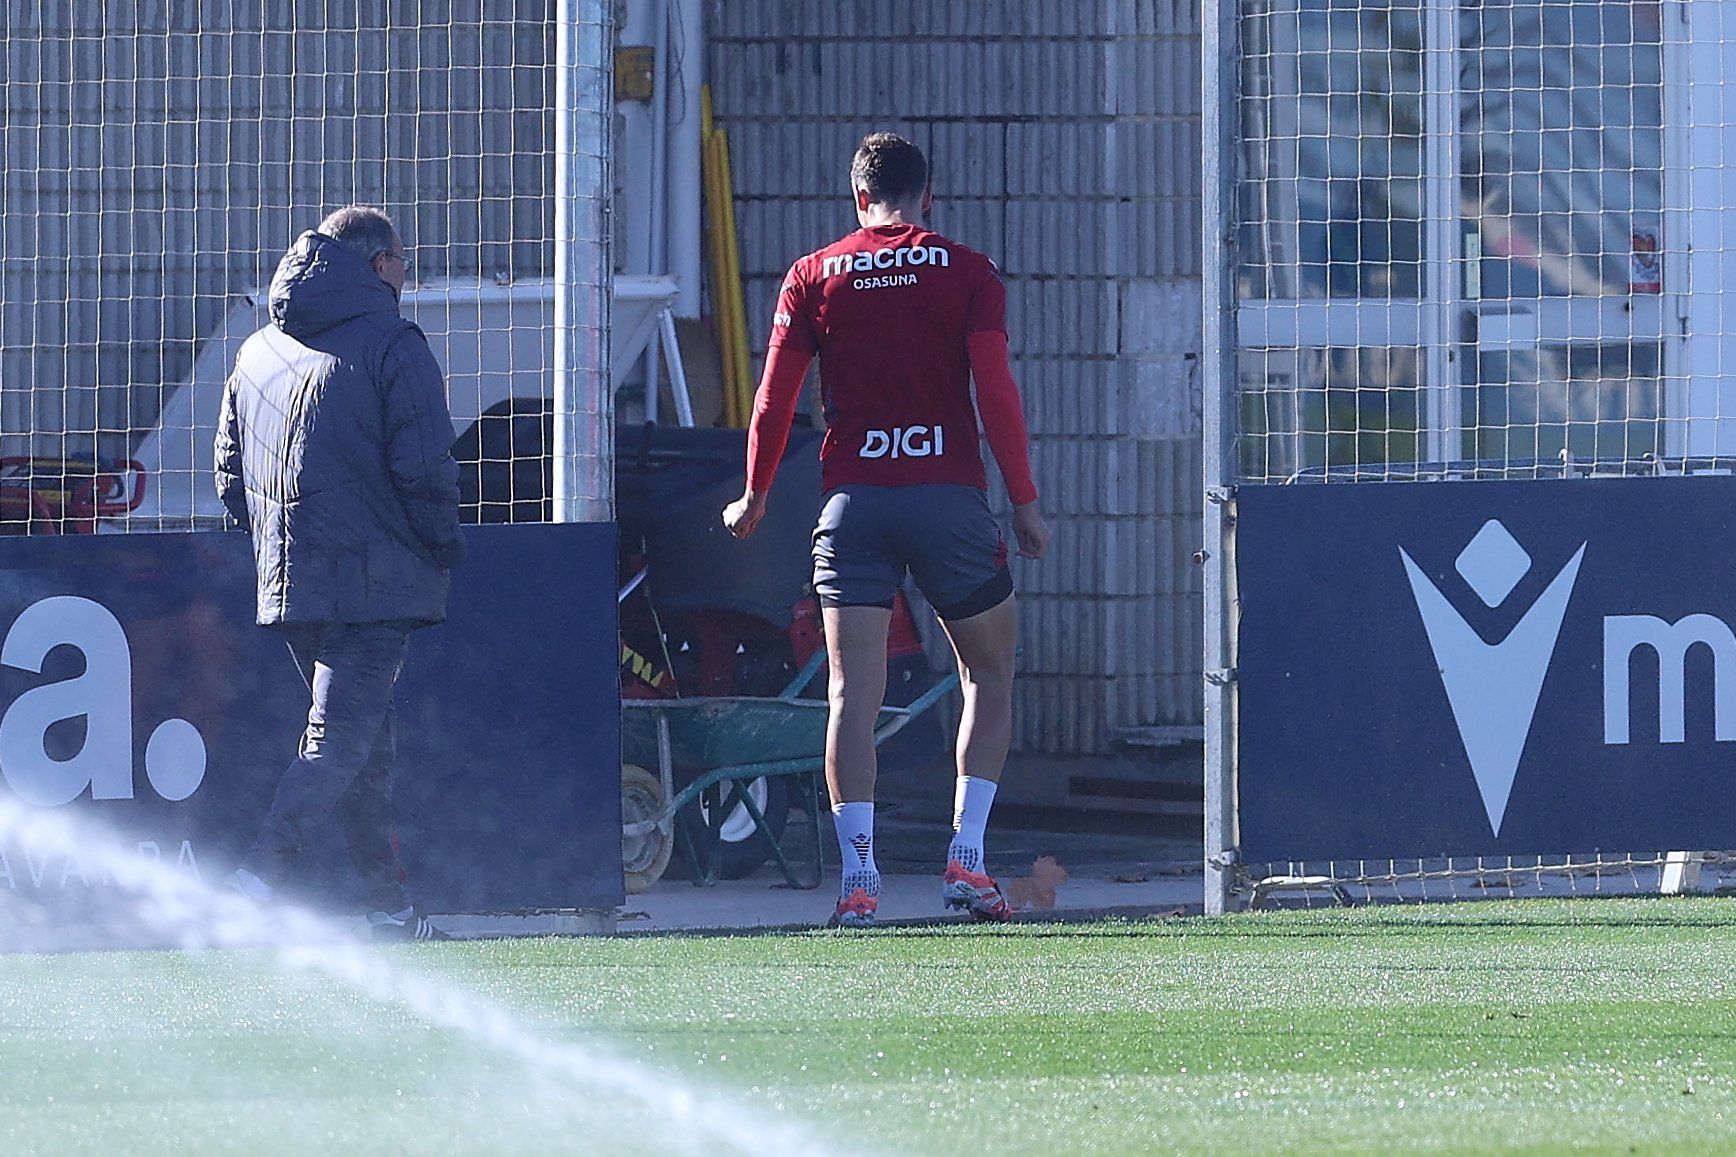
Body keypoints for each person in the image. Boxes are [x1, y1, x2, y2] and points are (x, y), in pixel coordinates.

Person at [723, 133, 1050, 928]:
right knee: (989, 674)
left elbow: (773, 397)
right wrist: (1024, 500)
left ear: (858, 197)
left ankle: (859, 880)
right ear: (927, 197)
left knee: (851, 694)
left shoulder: (813, 274)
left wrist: (754, 493)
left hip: (855, 506)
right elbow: (996, 390)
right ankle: (966, 859)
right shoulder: (969, 270)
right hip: (947, 501)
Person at [215, 205, 465, 941]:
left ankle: (389, 909)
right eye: (404, 263)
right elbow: (426, 469)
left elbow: (228, 475)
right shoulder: (394, 343)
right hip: (373, 587)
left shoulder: (256, 349)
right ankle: (253, 882)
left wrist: (280, 545)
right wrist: (442, 548)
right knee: (338, 746)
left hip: (292, 585)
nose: (406, 277)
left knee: (363, 750)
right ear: (379, 265)